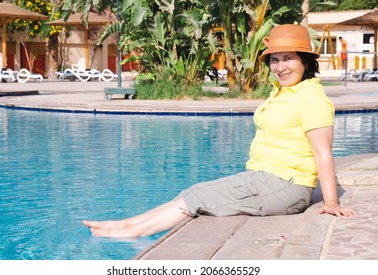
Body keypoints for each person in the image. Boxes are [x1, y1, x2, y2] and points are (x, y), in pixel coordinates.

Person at [83, 24, 356, 238]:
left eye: (288, 58)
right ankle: (127, 224)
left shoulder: (311, 97)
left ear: (306, 61)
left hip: (285, 187)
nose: (280, 67)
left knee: (197, 198)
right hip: (266, 178)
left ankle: (129, 233)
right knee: (194, 190)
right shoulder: (284, 92)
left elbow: (323, 152)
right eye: (274, 60)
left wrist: (331, 201)